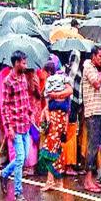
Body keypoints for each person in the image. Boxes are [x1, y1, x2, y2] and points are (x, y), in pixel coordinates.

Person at [0, 51, 33, 201]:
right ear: (17, 63)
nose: (26, 64)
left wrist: (30, 112)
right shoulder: (8, 81)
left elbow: (25, 99)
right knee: (20, 158)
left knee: (23, 158)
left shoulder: (23, 78)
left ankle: (4, 173)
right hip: (15, 126)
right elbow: (4, 107)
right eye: (24, 62)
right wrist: (9, 128)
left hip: (25, 124)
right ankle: (18, 193)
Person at [39, 61, 73, 191]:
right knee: (56, 148)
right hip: (59, 118)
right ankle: (58, 181)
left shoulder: (56, 84)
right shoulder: (59, 81)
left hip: (56, 119)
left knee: (49, 149)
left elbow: (66, 93)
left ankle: (50, 181)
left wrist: (54, 95)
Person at [82, 46, 101, 193]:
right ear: (93, 56)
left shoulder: (93, 68)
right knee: (92, 146)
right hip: (92, 111)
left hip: (97, 111)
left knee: (95, 144)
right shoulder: (88, 67)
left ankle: (90, 179)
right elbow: (97, 83)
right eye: (100, 56)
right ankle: (87, 180)